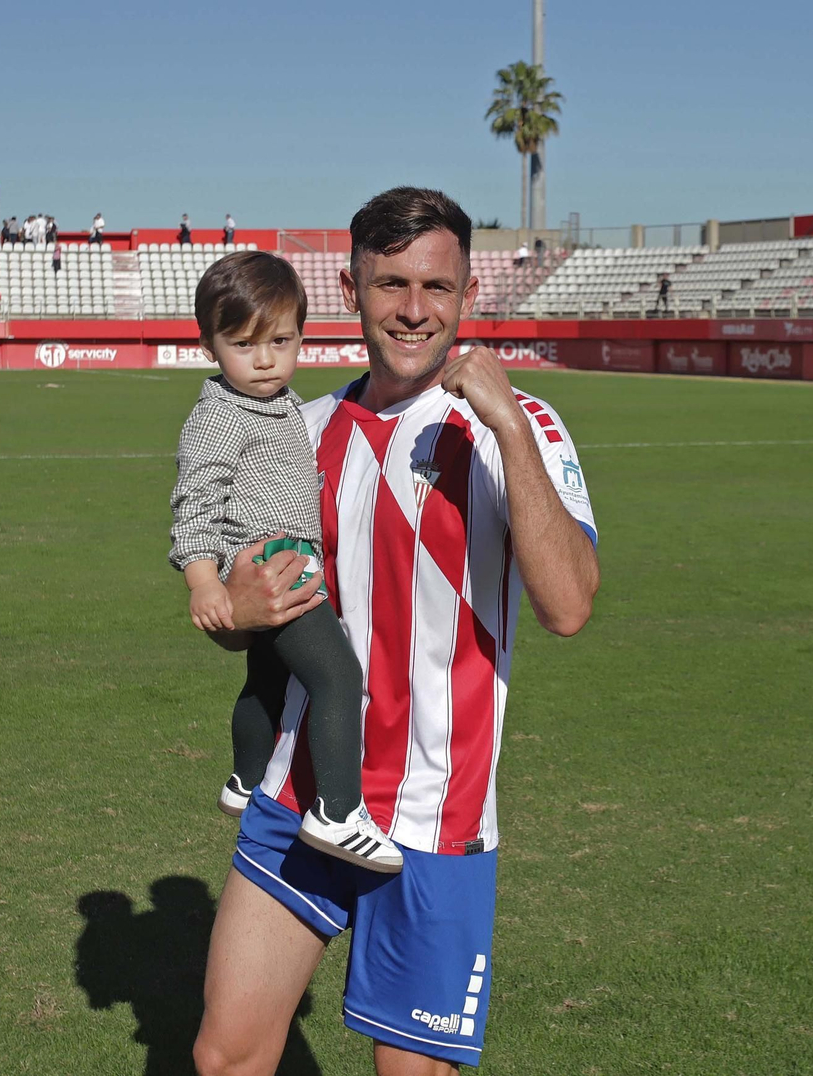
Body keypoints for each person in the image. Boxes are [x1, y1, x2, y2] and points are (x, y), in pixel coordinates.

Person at [191, 187, 599, 1076]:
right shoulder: (298, 431)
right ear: (351, 290)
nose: (415, 310)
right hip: (304, 795)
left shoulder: (519, 427)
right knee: (226, 1057)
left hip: (435, 817)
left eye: (437, 287)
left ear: (468, 294)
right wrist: (238, 610)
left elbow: (569, 606)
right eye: (391, 285)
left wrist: (507, 425)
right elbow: (244, 618)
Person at [168, 250, 398, 871]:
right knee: (338, 677)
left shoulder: (282, 403)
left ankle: (244, 780)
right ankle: (338, 812)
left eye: (281, 341)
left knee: (267, 681)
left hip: (286, 559)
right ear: (209, 346)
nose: (265, 359)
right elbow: (193, 506)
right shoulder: (217, 417)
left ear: (301, 336)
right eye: (243, 344)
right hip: (274, 568)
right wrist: (203, 582)